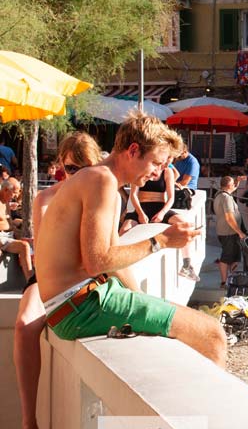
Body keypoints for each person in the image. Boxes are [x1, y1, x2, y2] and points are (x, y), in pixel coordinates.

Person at [35, 114, 223, 359]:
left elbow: (111, 260)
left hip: (75, 304)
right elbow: (97, 261)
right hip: (79, 307)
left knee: (187, 330)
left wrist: (146, 301)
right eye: (156, 163)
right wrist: (161, 241)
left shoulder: (99, 180)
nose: (157, 174)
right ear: (133, 150)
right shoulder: (100, 180)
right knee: (213, 335)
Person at [13, 132, 102, 429]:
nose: (74, 175)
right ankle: (28, 425)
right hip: (51, 275)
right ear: (60, 167)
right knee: (22, 325)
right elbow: (41, 255)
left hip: (85, 275)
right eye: (68, 168)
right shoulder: (46, 199)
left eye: (83, 168)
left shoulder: (102, 195)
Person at [122, 143, 177, 234]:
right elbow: (133, 195)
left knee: (185, 225)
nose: (166, 166)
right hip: (142, 208)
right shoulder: (143, 168)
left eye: (169, 164)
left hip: (160, 208)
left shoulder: (168, 172)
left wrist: (162, 213)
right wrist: (140, 213)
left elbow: (171, 198)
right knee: (123, 231)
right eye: (165, 163)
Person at [171, 146, 202, 281]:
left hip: (187, 191)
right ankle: (187, 265)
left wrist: (170, 182)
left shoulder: (192, 162)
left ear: (185, 151)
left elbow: (185, 182)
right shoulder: (178, 160)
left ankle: (187, 265)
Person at [213, 174, 248, 289]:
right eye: (233, 184)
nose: (234, 186)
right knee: (226, 258)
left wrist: (237, 181)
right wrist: (240, 232)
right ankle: (224, 282)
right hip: (229, 233)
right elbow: (229, 218)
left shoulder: (220, 194)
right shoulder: (226, 198)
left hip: (226, 232)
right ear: (228, 186)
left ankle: (231, 279)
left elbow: (232, 188)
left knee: (234, 257)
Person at [0, 183, 33, 280]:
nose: (15, 196)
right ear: (5, 190)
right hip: (1, 237)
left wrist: (19, 233)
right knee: (24, 245)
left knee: (30, 243)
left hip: (9, 235)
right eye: (14, 193)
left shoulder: (6, 203)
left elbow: (10, 223)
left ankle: (30, 281)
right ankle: (30, 280)